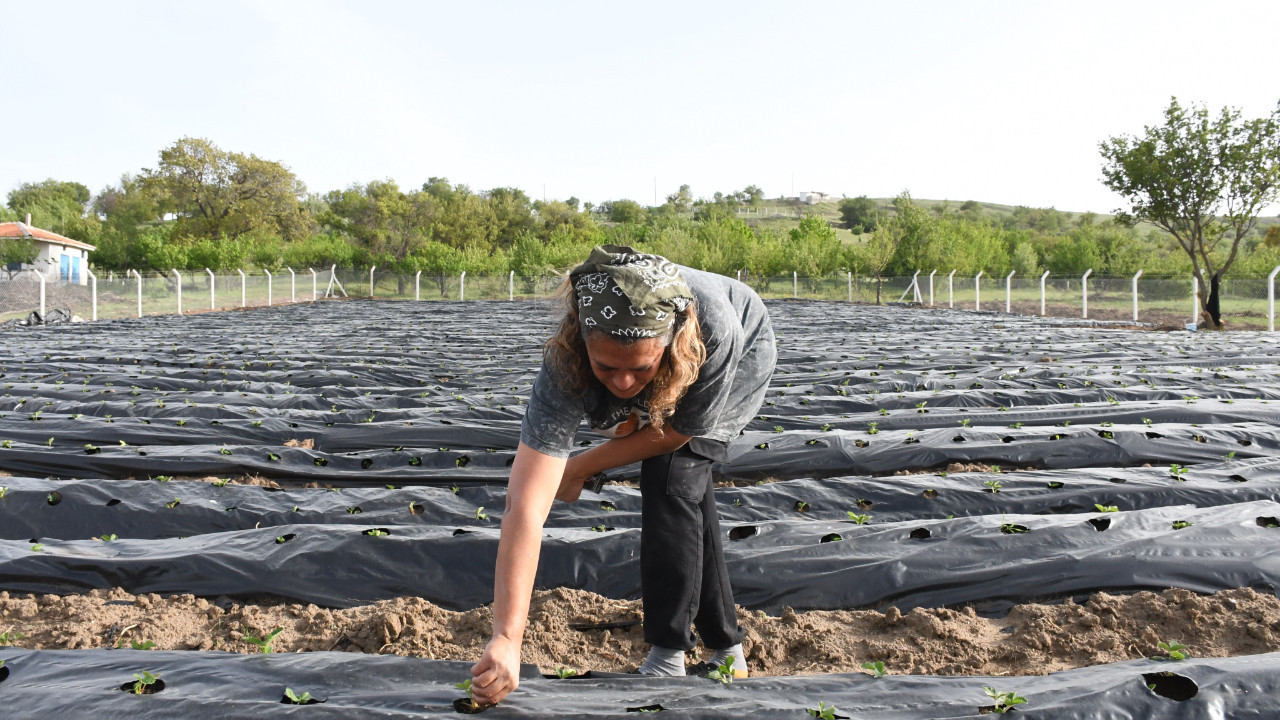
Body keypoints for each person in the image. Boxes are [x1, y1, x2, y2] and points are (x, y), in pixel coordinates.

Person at [470, 245, 776, 706]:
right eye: (606, 367)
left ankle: (669, 652)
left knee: (673, 475)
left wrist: (580, 467)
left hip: (743, 345)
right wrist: (507, 638)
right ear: (583, 340)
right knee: (687, 492)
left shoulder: (712, 332)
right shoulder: (565, 363)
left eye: (640, 368)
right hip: (670, 352)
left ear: (668, 347)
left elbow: (672, 435)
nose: (624, 384)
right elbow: (525, 504)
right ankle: (728, 646)